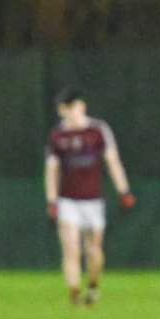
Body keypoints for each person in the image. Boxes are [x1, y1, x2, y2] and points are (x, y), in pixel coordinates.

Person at [44, 88, 136, 306]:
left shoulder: (98, 131)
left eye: (72, 108)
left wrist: (124, 190)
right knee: (71, 248)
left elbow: (112, 160)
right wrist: (52, 200)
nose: (69, 114)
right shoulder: (58, 136)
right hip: (68, 201)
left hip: (93, 200)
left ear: (81, 107)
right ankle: (74, 293)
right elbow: (51, 169)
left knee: (93, 250)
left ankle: (93, 286)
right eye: (65, 110)